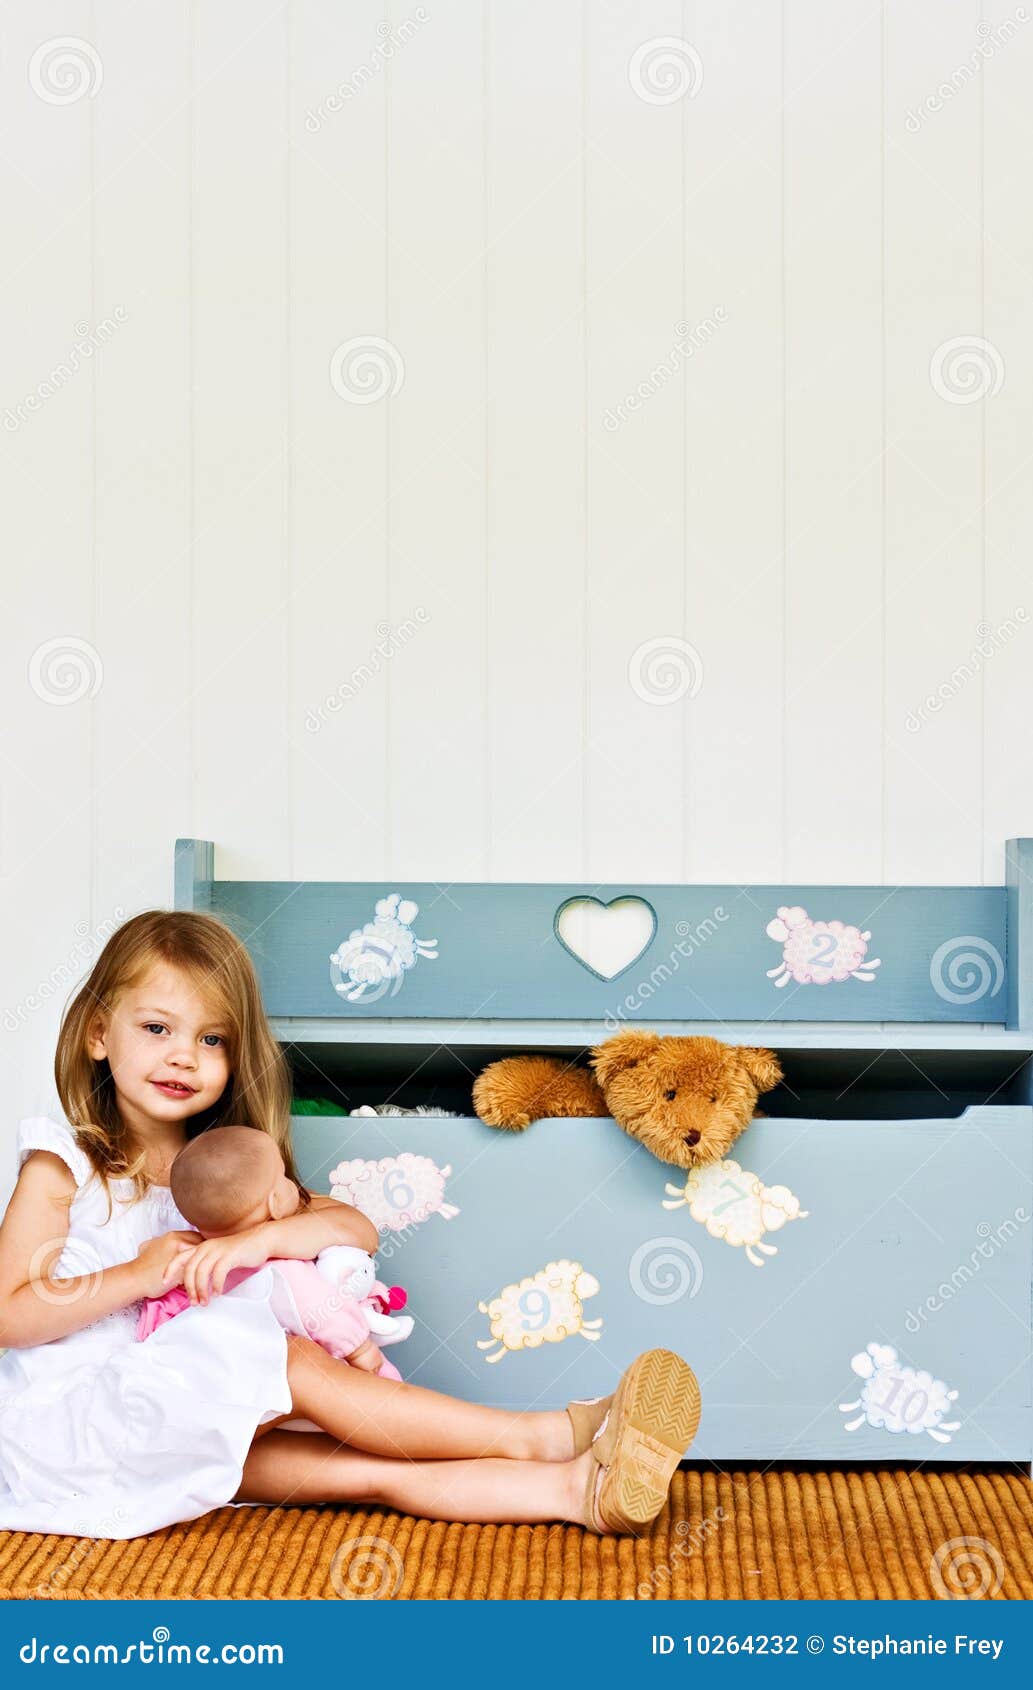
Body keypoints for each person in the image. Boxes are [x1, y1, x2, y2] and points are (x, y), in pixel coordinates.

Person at [0, 909, 700, 1539]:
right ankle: (553, 1435)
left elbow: (352, 1228)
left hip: (170, 1429)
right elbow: (8, 1315)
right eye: (156, 1029)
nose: (183, 1055)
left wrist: (262, 1237)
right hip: (70, 1431)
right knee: (284, 1356)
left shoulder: (220, 1167)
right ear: (97, 1033)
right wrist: (137, 1274)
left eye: (211, 1039)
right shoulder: (65, 1167)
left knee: (369, 1470)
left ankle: (579, 1492)